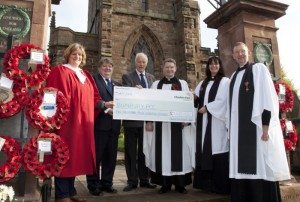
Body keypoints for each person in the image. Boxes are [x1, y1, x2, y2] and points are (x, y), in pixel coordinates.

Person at [46, 43, 111, 202]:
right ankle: (61, 194)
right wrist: (51, 119)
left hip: (84, 123)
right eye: (74, 54)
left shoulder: (86, 75)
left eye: (80, 55)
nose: (77, 57)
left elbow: (95, 97)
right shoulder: (59, 70)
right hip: (67, 122)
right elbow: (51, 95)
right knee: (64, 155)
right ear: (68, 55)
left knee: (75, 156)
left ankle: (71, 190)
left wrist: (104, 104)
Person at [228, 42, 290, 202]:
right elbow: (232, 109)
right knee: (240, 168)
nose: (240, 55)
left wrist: (265, 127)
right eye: (236, 53)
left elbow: (268, 99)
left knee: (260, 165)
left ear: (248, 52)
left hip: (256, 130)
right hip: (238, 133)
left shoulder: (258, 70)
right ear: (233, 56)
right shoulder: (234, 76)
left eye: (242, 51)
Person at [143, 58, 195, 194]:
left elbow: (187, 103)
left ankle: (180, 185)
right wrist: (148, 121)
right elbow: (150, 103)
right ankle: (164, 185)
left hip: (178, 127)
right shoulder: (155, 85)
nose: (169, 70)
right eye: (167, 67)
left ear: (175, 69)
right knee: (163, 154)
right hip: (161, 127)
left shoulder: (182, 84)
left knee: (180, 154)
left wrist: (187, 120)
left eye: (172, 67)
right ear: (163, 69)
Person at [193, 56, 231, 194]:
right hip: (203, 123)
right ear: (208, 67)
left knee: (217, 149)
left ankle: (219, 186)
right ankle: (205, 185)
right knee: (204, 149)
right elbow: (194, 97)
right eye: (211, 64)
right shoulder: (203, 83)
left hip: (216, 123)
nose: (213, 66)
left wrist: (208, 108)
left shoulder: (225, 82)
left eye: (216, 64)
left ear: (220, 66)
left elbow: (224, 100)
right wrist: (190, 98)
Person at [121, 52, 157, 191]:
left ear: (146, 64)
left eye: (143, 62)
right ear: (135, 63)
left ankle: (144, 179)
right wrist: (132, 90)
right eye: (139, 62)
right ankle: (132, 181)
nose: (141, 64)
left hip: (146, 122)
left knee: (145, 151)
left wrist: (150, 120)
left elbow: (153, 99)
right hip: (131, 122)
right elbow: (124, 93)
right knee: (130, 152)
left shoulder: (151, 78)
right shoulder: (127, 77)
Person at [86, 58, 121, 196]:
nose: (107, 69)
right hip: (100, 124)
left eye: (110, 67)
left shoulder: (117, 85)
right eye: (105, 67)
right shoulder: (93, 80)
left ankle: (107, 183)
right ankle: (93, 185)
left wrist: (136, 90)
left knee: (110, 157)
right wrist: (106, 109)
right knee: (97, 157)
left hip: (114, 126)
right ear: (99, 68)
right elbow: (91, 98)